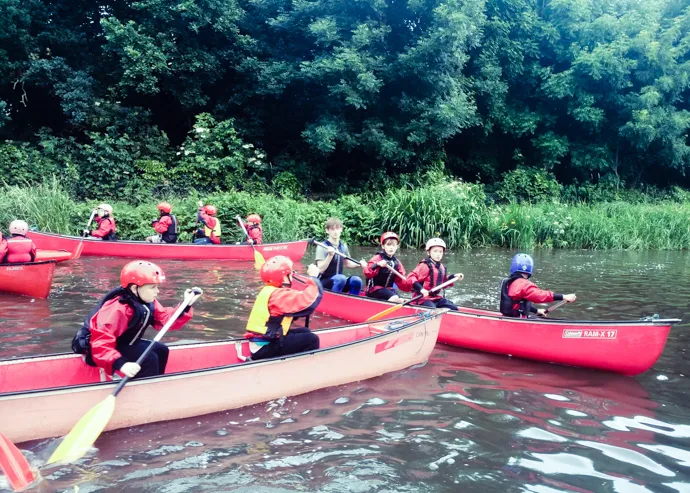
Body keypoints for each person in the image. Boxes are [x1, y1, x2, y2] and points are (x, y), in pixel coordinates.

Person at [71, 260, 199, 379]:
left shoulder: (147, 301)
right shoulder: (118, 308)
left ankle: (154, 385)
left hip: (120, 344)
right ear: (134, 288)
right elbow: (100, 342)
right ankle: (144, 393)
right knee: (149, 358)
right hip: (95, 350)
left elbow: (165, 320)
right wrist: (121, 364)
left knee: (161, 349)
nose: (157, 291)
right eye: (152, 287)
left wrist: (185, 306)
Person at [244, 256, 323, 361]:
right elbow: (309, 303)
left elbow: (291, 310)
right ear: (283, 277)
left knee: (305, 331)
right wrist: (313, 278)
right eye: (290, 273)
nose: (292, 276)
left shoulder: (271, 290)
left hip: (264, 342)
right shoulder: (278, 295)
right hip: (264, 348)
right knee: (312, 339)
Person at [500, 253, 577, 318]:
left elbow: (519, 304)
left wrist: (536, 311)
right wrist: (563, 296)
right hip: (516, 320)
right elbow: (539, 296)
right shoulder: (522, 284)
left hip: (510, 316)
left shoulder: (512, 282)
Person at [407, 238, 463, 310]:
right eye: (435, 251)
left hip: (435, 298)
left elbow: (444, 282)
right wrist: (421, 289)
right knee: (433, 311)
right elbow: (411, 277)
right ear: (428, 252)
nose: (438, 254)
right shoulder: (425, 266)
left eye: (440, 252)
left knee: (454, 308)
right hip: (422, 299)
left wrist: (454, 276)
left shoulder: (441, 267)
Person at [314, 217, 366, 295]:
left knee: (357, 280)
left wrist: (359, 264)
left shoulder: (343, 246)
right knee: (341, 278)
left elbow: (347, 263)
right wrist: (330, 255)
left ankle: (352, 301)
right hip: (324, 282)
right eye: (332, 229)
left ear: (341, 229)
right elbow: (320, 269)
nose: (335, 232)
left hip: (340, 281)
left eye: (337, 229)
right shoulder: (322, 246)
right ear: (327, 231)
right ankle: (335, 300)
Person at [363, 231, 412, 303]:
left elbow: (401, 281)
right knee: (395, 298)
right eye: (388, 245)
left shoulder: (396, 262)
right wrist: (377, 265)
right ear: (383, 246)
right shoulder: (377, 258)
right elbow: (367, 272)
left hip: (389, 289)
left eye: (394, 245)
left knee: (404, 300)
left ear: (397, 247)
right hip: (374, 290)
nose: (391, 248)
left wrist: (412, 286)